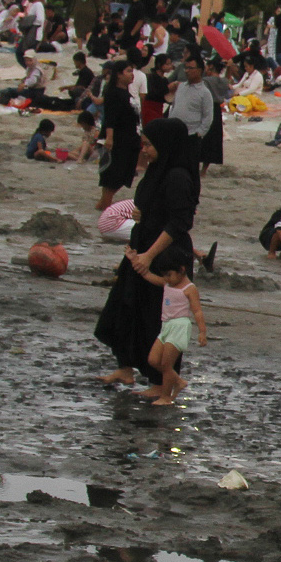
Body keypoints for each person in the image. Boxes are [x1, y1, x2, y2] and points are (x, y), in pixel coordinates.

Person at [95, 117, 201, 386]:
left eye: (149, 145)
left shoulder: (178, 176)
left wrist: (150, 256)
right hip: (143, 246)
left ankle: (160, 382)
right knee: (125, 308)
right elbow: (154, 203)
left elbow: (180, 222)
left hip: (165, 254)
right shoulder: (158, 170)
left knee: (158, 319)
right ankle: (126, 366)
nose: (144, 150)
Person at [137, 246, 206, 405]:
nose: (166, 279)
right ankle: (178, 381)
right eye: (164, 275)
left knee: (166, 364)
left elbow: (197, 311)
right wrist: (136, 262)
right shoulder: (167, 284)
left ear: (182, 270)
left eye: (169, 274)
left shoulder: (189, 289)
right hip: (166, 326)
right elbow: (150, 276)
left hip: (179, 326)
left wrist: (202, 331)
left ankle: (166, 397)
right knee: (154, 360)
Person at [96, 61, 140, 212]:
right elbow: (110, 117)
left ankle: (103, 203)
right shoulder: (113, 92)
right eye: (128, 71)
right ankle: (104, 205)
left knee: (124, 173)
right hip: (118, 138)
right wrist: (109, 138)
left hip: (129, 137)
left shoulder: (126, 92)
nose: (131, 74)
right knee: (113, 174)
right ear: (119, 74)